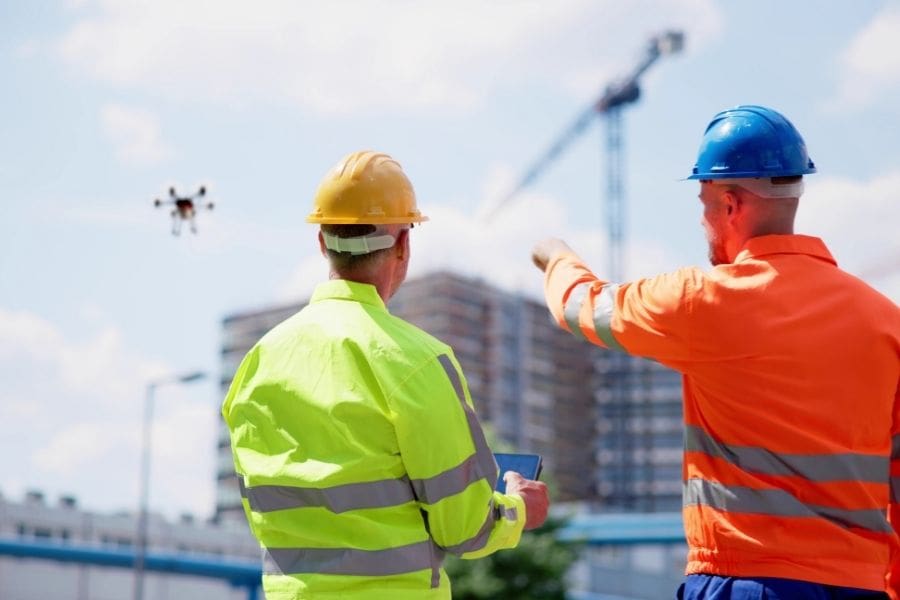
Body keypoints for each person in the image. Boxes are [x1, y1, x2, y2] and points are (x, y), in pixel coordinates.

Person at [531, 105, 900, 599]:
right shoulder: (885, 321)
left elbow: (583, 308)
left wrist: (556, 257)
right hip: (860, 587)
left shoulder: (703, 301)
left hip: (747, 579)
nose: (703, 221)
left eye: (703, 203)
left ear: (730, 204)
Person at [223, 150, 549, 599]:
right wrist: (517, 509)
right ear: (402, 244)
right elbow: (465, 528)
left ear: (322, 241)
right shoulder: (417, 362)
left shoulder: (258, 363)